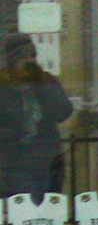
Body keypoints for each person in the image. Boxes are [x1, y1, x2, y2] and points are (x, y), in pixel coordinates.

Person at [0, 33, 73, 201]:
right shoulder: (3, 84)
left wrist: (40, 84)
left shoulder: (45, 80)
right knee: (29, 203)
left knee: (50, 205)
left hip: (49, 160)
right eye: (23, 56)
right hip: (16, 161)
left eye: (32, 55)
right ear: (12, 60)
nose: (29, 60)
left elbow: (62, 112)